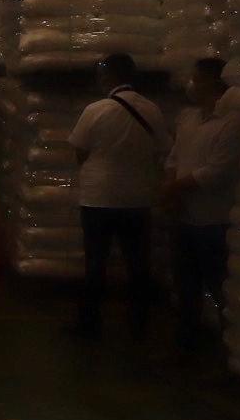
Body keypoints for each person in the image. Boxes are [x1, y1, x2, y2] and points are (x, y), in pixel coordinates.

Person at [67, 53, 170, 339]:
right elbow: (162, 148)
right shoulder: (152, 110)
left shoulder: (95, 110)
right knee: (137, 264)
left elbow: (79, 150)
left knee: (96, 262)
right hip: (137, 198)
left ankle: (90, 322)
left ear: (108, 77)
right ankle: (138, 322)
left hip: (98, 197)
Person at [163, 58, 240, 352]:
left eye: (197, 79)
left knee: (219, 287)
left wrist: (174, 189)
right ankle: (185, 345)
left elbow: (218, 171)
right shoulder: (188, 119)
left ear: (214, 83)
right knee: (185, 288)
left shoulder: (232, 123)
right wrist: (172, 190)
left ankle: (228, 350)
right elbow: (174, 157)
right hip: (184, 217)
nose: (192, 85)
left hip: (213, 220)